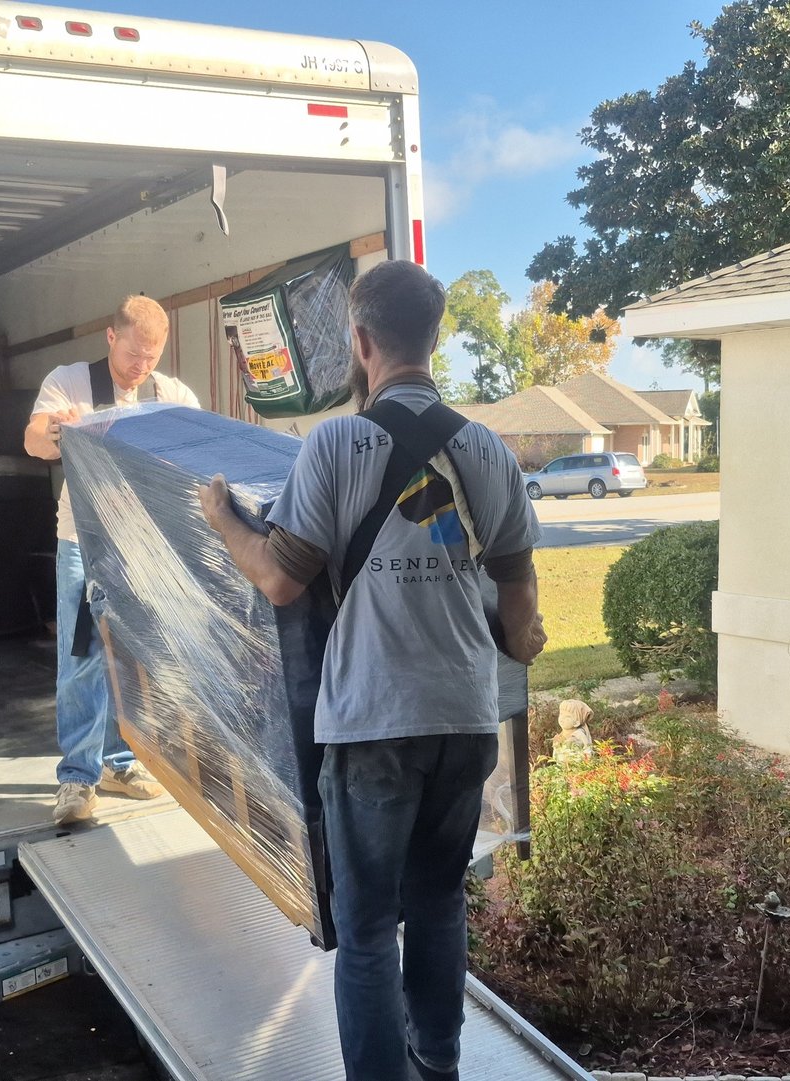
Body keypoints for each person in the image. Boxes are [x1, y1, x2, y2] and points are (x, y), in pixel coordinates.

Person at [198, 260, 547, 1081]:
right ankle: (442, 1063)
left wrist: (220, 517)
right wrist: (510, 633)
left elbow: (280, 576)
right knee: (437, 905)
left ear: (359, 341)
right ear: (435, 338)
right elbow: (522, 623)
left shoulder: (334, 444)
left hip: (370, 728)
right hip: (464, 723)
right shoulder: (489, 451)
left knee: (364, 933)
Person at [24, 295, 201, 826]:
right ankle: (77, 777)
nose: (140, 366)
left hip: (143, 547)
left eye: (151, 356)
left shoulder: (172, 395)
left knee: (128, 658)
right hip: (84, 540)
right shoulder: (72, 382)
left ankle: (120, 762)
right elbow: (34, 441)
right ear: (110, 336)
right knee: (81, 656)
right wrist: (58, 430)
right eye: (132, 353)